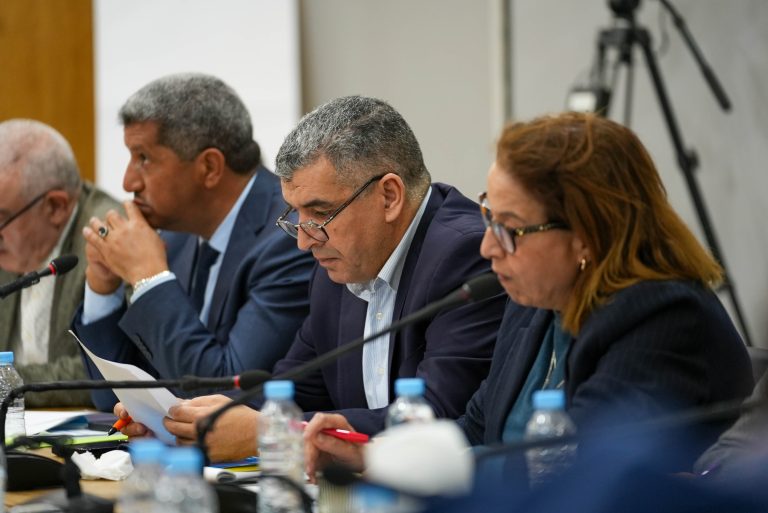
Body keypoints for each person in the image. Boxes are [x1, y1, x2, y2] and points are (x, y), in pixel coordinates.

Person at [301, 111, 754, 480]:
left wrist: (412, 468)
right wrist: (374, 454)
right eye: (488, 218)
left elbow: (587, 476)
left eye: (510, 228)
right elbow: (477, 428)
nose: (487, 247)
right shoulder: (534, 304)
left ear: (586, 235)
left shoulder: (660, 317)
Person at [115, 95, 506, 462]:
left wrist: (272, 432)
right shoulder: (336, 268)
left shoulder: (465, 255)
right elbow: (294, 391)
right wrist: (178, 420)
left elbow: (440, 418)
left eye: (320, 214)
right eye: (296, 215)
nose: (304, 241)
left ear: (389, 196)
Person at [72, 73, 314, 410]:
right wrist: (103, 288)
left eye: (143, 158)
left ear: (209, 167)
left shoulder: (289, 237)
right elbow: (113, 395)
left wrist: (149, 278)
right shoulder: (177, 236)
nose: (128, 182)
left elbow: (226, 394)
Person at [0, 119, 121, 407]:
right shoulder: (13, 238)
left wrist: (8, 383)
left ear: (55, 207)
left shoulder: (108, 240)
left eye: (1, 219)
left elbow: (106, 370)